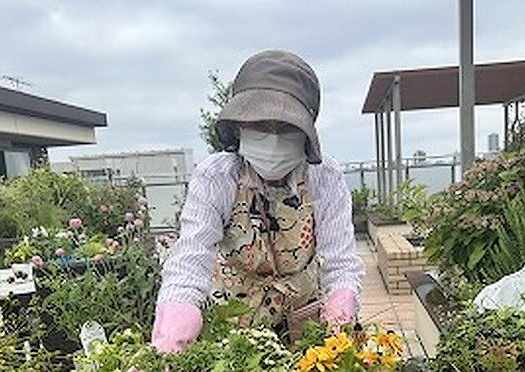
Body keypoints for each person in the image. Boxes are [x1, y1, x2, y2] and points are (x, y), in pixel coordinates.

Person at [151, 50, 365, 354]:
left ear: (306, 132)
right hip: (233, 322)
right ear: (239, 126)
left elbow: (340, 261)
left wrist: (341, 303)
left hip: (303, 320)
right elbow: (191, 258)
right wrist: (174, 333)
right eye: (261, 125)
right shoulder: (217, 178)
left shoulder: (324, 177)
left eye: (286, 128)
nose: (273, 140)